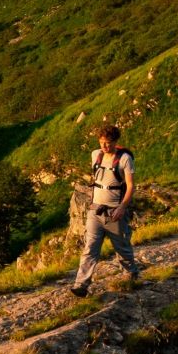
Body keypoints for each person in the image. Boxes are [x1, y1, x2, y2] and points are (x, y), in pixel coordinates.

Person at [71, 121, 140, 293]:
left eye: (108, 142)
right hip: (96, 209)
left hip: (115, 211)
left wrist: (122, 207)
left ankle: (130, 275)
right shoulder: (96, 155)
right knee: (90, 248)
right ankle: (81, 284)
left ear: (116, 141)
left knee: (122, 247)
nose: (104, 145)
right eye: (101, 141)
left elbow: (131, 186)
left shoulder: (125, 159)